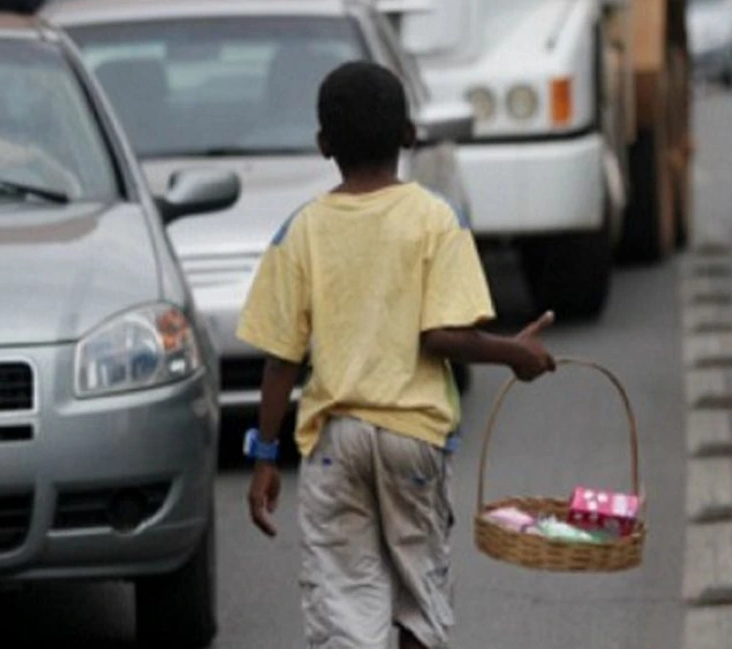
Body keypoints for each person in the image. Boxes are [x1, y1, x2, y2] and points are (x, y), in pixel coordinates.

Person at [236, 61, 556, 649]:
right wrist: (514, 353)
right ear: (409, 135)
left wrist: (263, 458)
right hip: (413, 438)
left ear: (322, 144)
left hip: (335, 442)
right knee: (419, 596)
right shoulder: (437, 220)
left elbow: (281, 359)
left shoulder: (300, 230)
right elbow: (440, 338)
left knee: (343, 600)